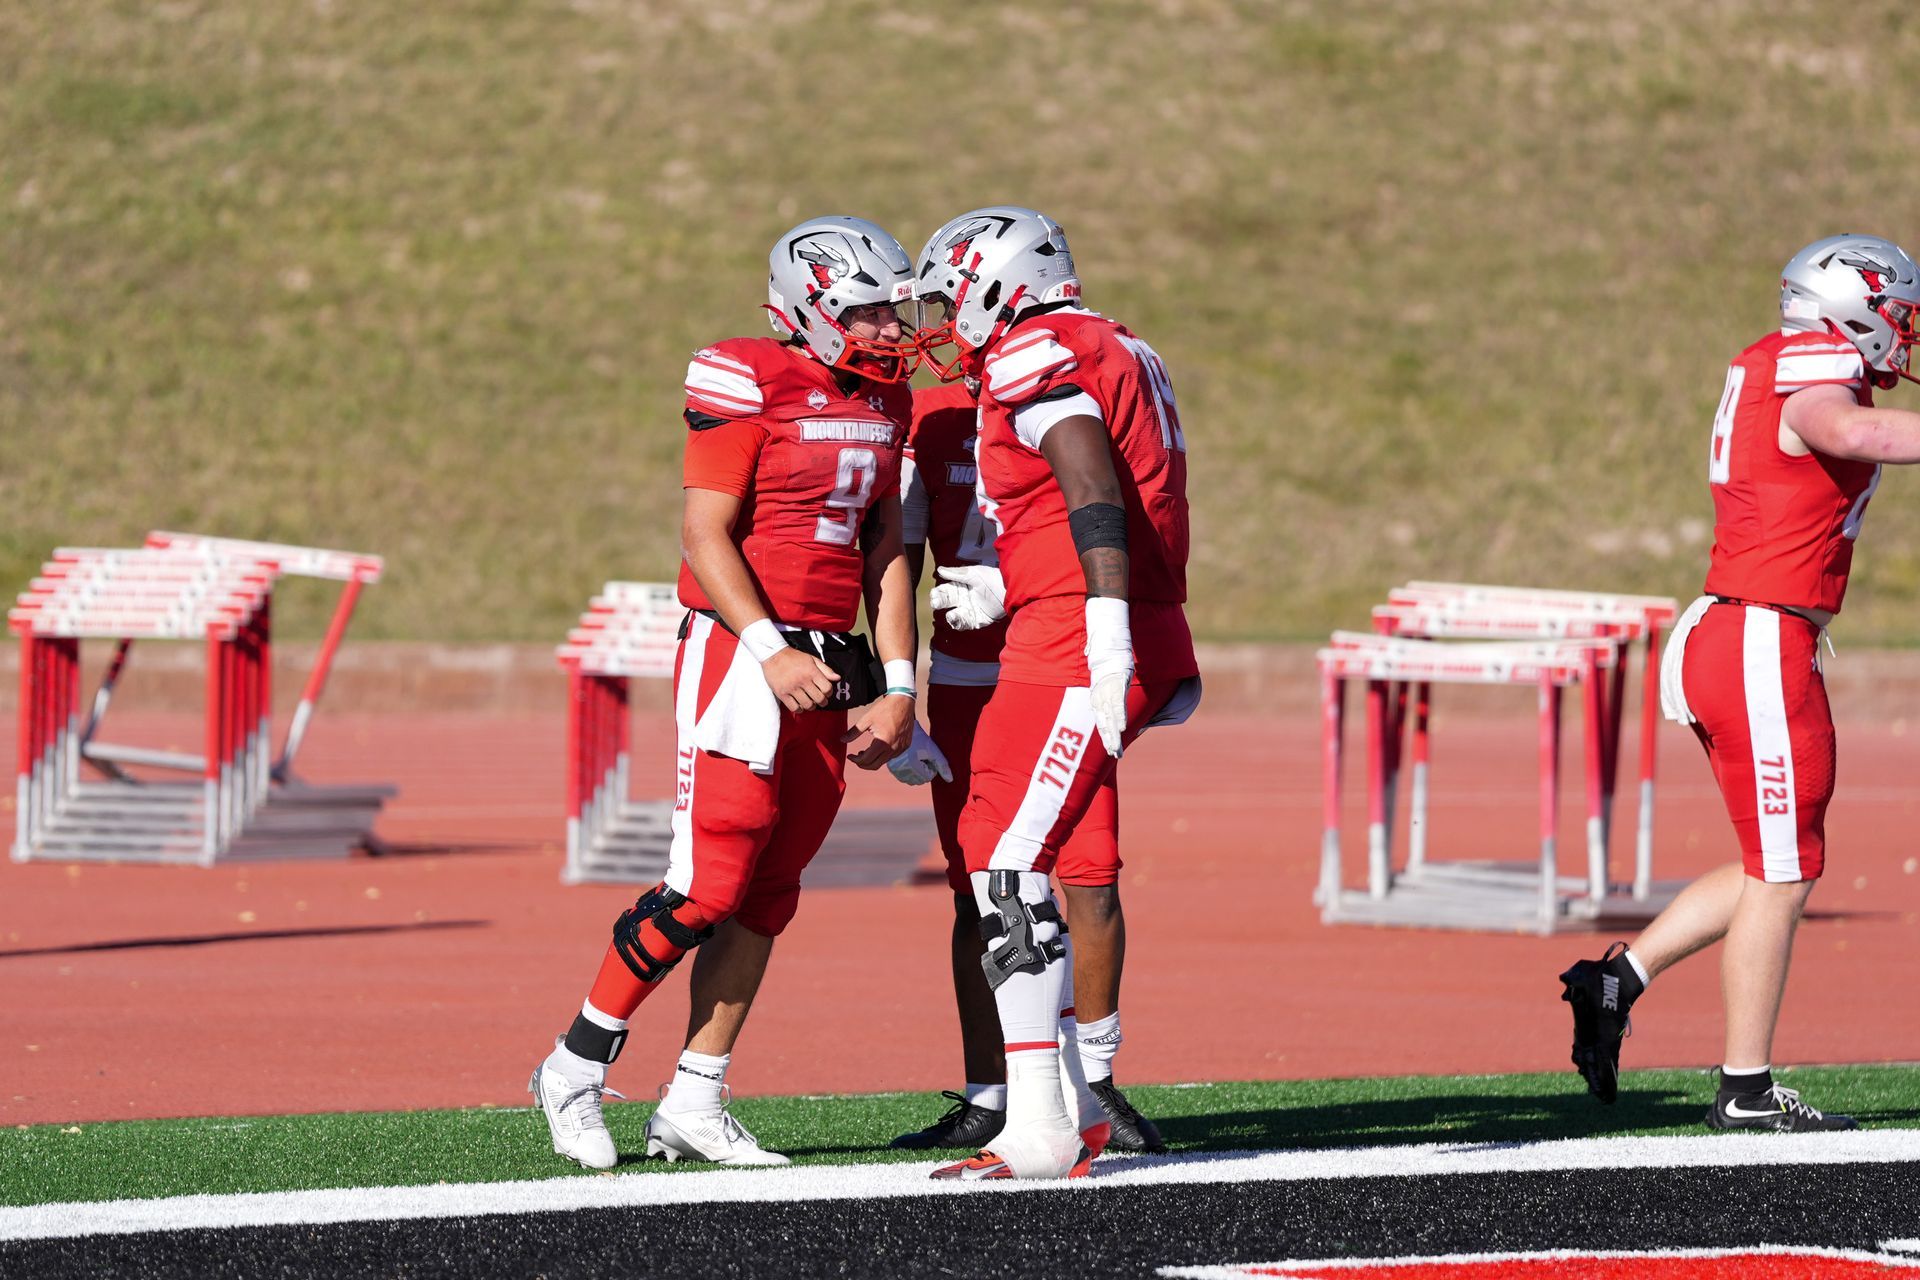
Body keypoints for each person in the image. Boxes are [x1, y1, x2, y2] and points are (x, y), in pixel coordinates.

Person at [529, 215, 921, 1168]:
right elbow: (707, 534)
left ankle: (696, 1096)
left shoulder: (889, 400)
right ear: (814, 305)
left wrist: (900, 682)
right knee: (709, 883)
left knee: (773, 888)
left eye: (892, 312)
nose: (887, 331)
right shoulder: (744, 372)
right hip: (742, 653)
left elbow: (887, 550)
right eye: (867, 312)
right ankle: (575, 1064)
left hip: (831, 660)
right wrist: (769, 647)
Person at [1560, 233, 1920, 1132]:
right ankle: (1746, 1089)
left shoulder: (1782, 358)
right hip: (1759, 635)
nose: (1902, 333)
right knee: (1787, 872)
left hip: (1741, 628)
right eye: (1897, 313)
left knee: (1778, 862)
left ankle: (1617, 981)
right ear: (1854, 309)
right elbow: (1845, 429)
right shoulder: (1815, 366)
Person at [908, 207, 1202, 1180]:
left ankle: (1037, 1120)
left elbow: (1089, 482)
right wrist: (1015, 580)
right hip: (1068, 615)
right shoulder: (1112, 340)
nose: (946, 318)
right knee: (1032, 853)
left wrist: (1103, 622)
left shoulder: (1036, 348)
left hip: (1078, 632)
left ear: (998, 280)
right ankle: (1065, 1102)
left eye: (954, 293)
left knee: (1005, 862)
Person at [885, 374, 1165, 1155]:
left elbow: (1106, 524)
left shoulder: (1060, 392)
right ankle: (992, 1091)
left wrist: (1022, 588)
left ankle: (1094, 1084)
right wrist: (895, 687)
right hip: (972, 680)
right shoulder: (933, 418)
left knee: (1090, 877)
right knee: (978, 890)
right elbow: (896, 565)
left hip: (1058, 670)